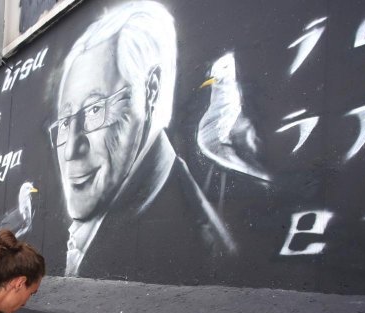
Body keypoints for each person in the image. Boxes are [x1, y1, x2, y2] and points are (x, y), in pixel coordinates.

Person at [48, 1, 235, 283]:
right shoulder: (148, 211)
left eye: (96, 109)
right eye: (65, 123)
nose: (72, 149)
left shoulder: (181, 242)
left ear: (151, 91)